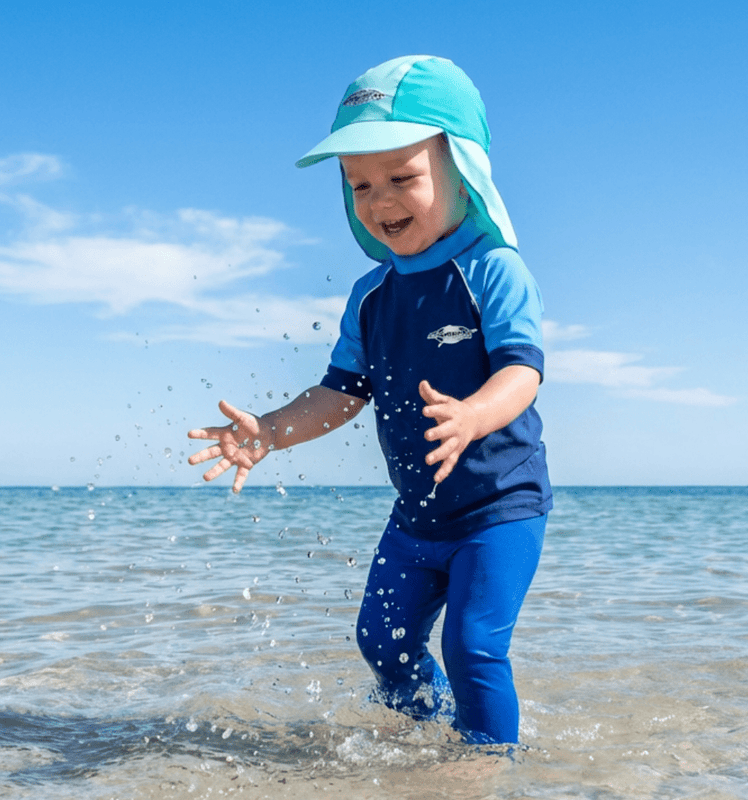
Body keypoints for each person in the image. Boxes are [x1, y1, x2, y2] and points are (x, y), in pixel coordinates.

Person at [188, 55, 552, 746]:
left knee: (473, 648)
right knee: (382, 644)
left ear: (462, 169)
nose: (379, 200)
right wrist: (269, 430)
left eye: (402, 178)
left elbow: (522, 373)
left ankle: (488, 768)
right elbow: (338, 393)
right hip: (417, 518)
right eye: (359, 184)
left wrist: (473, 414)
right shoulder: (371, 294)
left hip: (500, 509)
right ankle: (427, 741)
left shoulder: (493, 270)